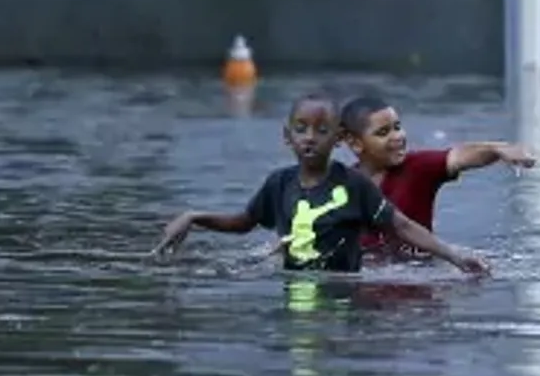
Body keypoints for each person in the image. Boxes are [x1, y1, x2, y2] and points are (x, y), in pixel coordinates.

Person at [151, 93, 491, 276]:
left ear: (338, 140)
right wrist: (194, 217)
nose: (310, 138)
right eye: (301, 129)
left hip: (347, 288)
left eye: (322, 130)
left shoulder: (354, 185)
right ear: (287, 137)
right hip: (298, 290)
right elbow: (243, 222)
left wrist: (454, 257)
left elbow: (401, 225)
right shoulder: (279, 183)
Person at [338, 95, 537, 253]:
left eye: (397, 127)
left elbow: (459, 156)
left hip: (417, 281)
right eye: (383, 133)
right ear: (355, 143)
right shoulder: (343, 184)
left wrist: (499, 150)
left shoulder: (416, 168)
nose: (397, 137)